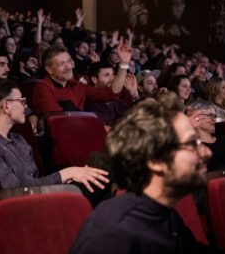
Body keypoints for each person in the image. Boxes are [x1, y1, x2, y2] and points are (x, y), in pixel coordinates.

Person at [70, 93, 212, 253]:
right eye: (192, 143)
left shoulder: (165, 214)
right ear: (156, 161)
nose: (207, 152)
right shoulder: (112, 233)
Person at [0, 78, 109, 197]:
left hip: (38, 197)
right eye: (22, 101)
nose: (25, 106)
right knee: (98, 181)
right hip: (20, 208)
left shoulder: (18, 139)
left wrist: (69, 177)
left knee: (100, 175)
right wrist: (66, 173)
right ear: (6, 106)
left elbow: (35, 181)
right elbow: (14, 189)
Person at [32, 41, 131, 115]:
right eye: (62, 63)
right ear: (49, 69)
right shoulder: (43, 87)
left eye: (69, 61)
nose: (68, 66)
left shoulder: (77, 86)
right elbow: (58, 118)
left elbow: (110, 94)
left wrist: (123, 64)